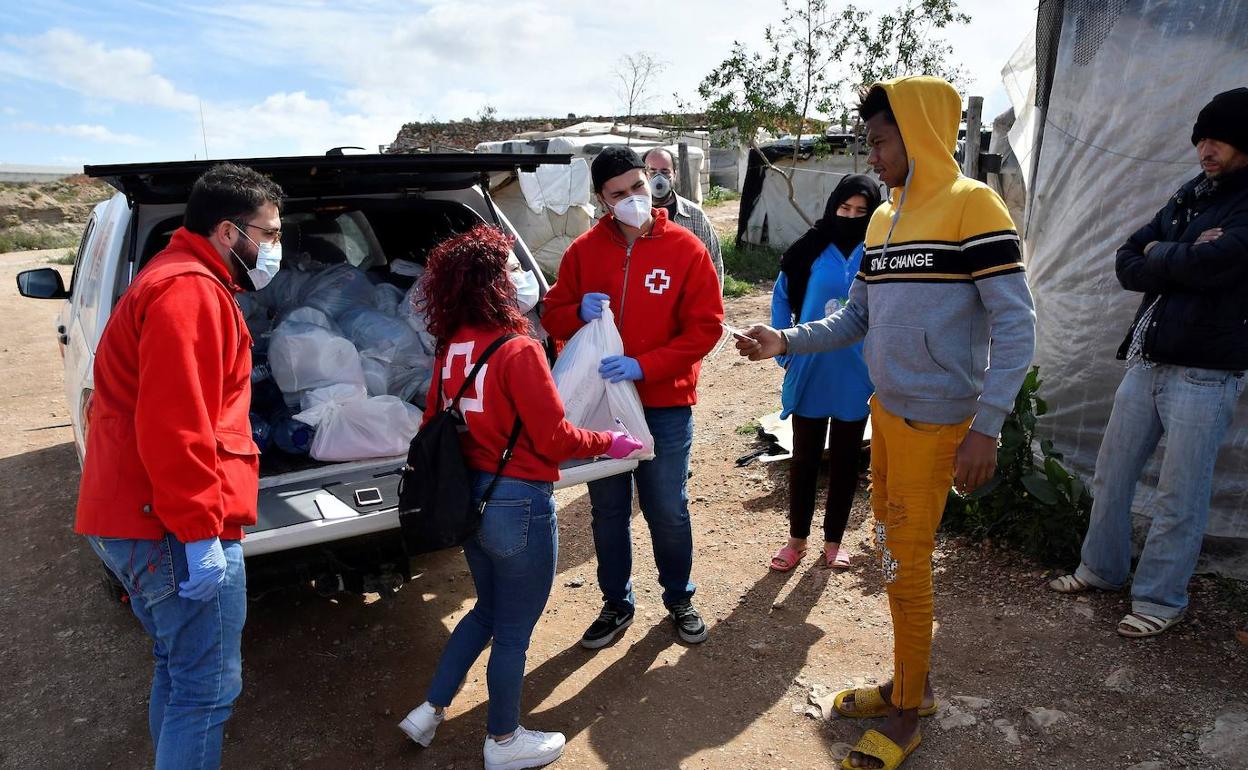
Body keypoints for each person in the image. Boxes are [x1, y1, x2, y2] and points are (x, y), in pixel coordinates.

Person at [735, 77, 1036, 770]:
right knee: (893, 553)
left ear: (922, 133)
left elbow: (1016, 325)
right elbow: (857, 317)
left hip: (940, 429)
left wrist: (986, 426)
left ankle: (907, 715)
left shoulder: (972, 206)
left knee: (906, 566)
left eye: (879, 141)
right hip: (886, 419)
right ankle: (911, 684)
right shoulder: (883, 220)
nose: (872, 157)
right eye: (868, 143)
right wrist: (787, 340)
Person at [397, 224, 642, 770]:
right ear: (491, 283)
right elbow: (555, 439)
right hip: (519, 502)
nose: (520, 278)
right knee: (514, 630)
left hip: (472, 499)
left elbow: (435, 421)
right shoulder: (518, 349)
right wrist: (610, 441)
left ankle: (430, 709)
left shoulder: (452, 347)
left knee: (485, 611)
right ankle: (503, 741)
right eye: (509, 268)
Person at [74, 163, 284, 769]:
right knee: (207, 691)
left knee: (179, 669)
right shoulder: (188, 291)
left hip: (140, 516)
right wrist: (198, 532)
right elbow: (177, 424)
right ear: (227, 231)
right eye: (267, 234)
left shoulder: (179, 279)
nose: (274, 247)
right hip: (166, 523)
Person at [1049, 88, 1248, 639]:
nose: (1205, 148)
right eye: (1200, 138)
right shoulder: (1191, 195)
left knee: (1181, 491)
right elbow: (1127, 259)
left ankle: (1161, 600)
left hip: (1206, 373)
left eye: (1218, 138)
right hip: (1149, 359)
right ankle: (1102, 570)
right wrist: (1176, 249)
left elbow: (1220, 263)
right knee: (1113, 475)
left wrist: (1166, 252)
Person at [542, 145, 724, 649]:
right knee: (608, 509)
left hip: (665, 403)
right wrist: (576, 310)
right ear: (602, 200)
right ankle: (616, 604)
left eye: (637, 187)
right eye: (618, 194)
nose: (632, 199)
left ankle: (679, 598)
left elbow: (705, 328)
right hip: (604, 406)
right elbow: (552, 314)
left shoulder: (685, 249)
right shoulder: (583, 251)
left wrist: (646, 365)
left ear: (650, 181)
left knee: (667, 506)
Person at [768, 174, 881, 572]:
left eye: (860, 212)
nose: (850, 217)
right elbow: (781, 298)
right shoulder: (811, 250)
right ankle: (795, 540)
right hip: (812, 366)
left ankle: (834, 541)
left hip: (858, 372)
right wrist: (786, 351)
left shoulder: (878, 251)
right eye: (844, 209)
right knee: (805, 458)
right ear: (833, 206)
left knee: (848, 460)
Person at [642, 146, 724, 287]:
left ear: (674, 174)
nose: (658, 177)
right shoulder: (634, 217)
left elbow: (714, 262)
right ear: (644, 175)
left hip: (686, 300)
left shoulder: (694, 216)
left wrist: (714, 305)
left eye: (665, 171)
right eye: (653, 171)